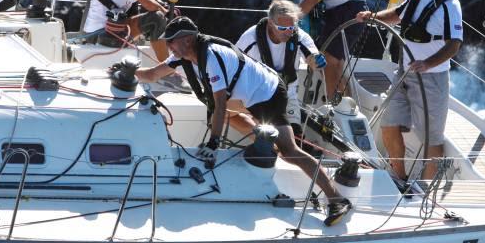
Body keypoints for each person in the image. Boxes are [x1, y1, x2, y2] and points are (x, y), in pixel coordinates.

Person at [135, 16, 352, 226]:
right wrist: (128, 72)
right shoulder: (182, 54)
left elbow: (220, 104)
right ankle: (264, 138)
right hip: (248, 95)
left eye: (171, 41)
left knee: (289, 150)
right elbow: (153, 74)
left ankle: (337, 200)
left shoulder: (211, 56)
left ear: (187, 40)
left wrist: (213, 143)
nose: (168, 45)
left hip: (269, 94)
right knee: (222, 114)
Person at [356, 0, 462, 181]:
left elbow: (454, 45)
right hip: (403, 73)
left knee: (431, 138)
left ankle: (425, 189)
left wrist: (427, 63)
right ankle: (400, 178)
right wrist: (373, 18)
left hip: (431, 79)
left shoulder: (451, 6)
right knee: (388, 125)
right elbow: (396, 15)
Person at [234, 0, 368, 100]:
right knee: (334, 66)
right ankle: (345, 108)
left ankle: (341, 111)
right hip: (335, 10)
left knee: (330, 63)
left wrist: (288, 24)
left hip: (349, 9)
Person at [236, 0, 327, 134]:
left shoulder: (299, 36)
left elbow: (311, 57)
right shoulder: (250, 38)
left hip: (287, 94)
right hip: (257, 94)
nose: (288, 33)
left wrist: (317, 61)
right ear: (271, 23)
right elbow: (233, 63)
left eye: (291, 28)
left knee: (295, 134)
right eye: (283, 28)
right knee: (269, 135)